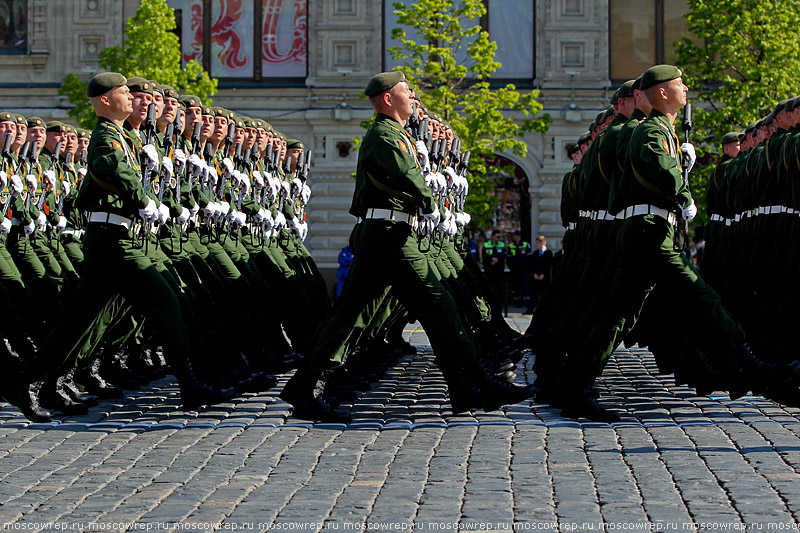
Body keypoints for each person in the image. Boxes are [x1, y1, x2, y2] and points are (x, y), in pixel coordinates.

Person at [280, 71, 533, 421]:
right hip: (391, 235)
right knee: (440, 306)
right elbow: (408, 178)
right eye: (405, 92)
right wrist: (430, 201)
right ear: (387, 98)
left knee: (349, 315)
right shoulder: (385, 134)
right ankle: (476, 383)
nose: (412, 97)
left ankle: (306, 387)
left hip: (387, 232)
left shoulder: (396, 134)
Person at [528, 235, 552, 312]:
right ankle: (533, 307)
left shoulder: (548, 253)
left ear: (542, 243)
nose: (537, 245)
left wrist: (543, 274)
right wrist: (535, 273)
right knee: (534, 293)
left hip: (544, 276)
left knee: (544, 293)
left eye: (538, 243)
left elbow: (548, 265)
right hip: (536, 276)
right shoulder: (535, 253)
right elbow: (533, 264)